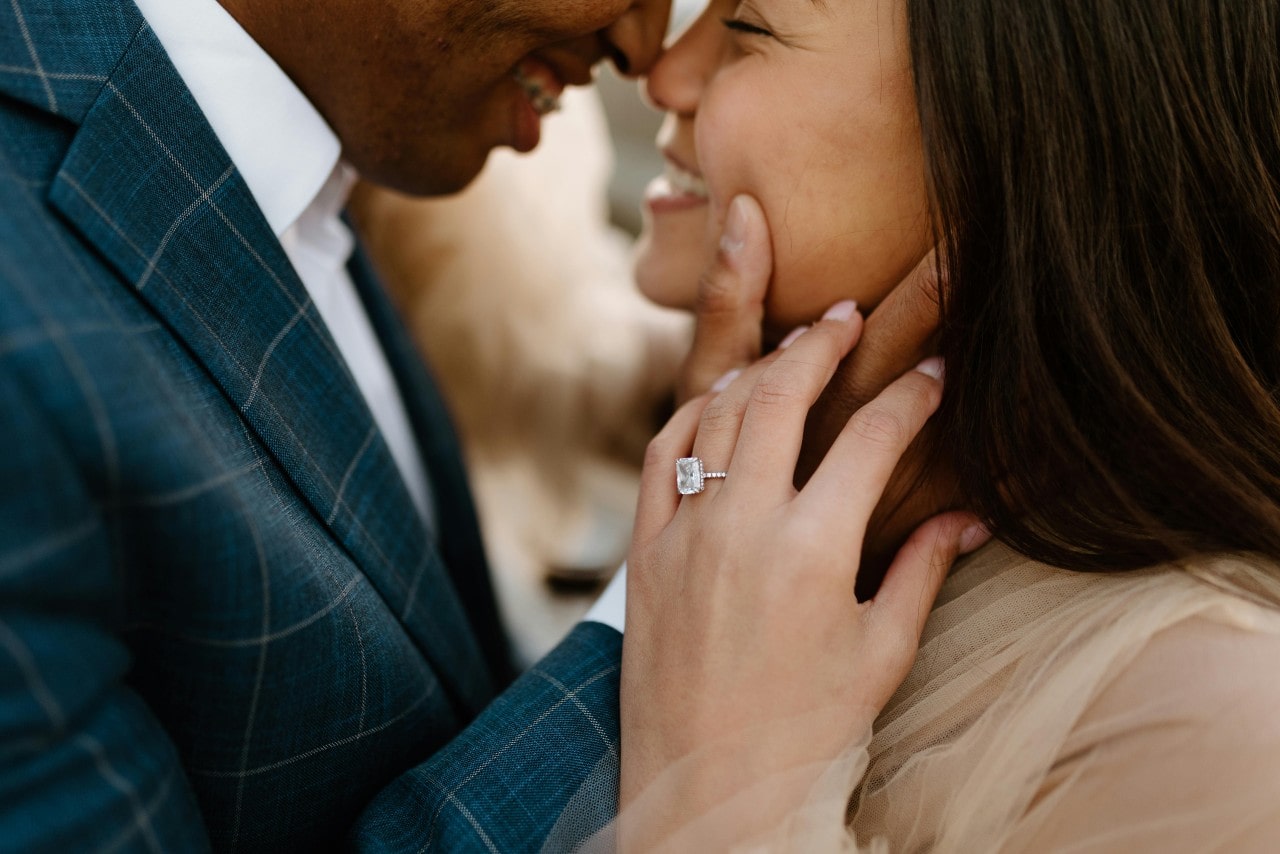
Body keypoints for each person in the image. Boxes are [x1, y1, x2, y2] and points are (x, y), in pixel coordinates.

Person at [590, 0, 1280, 849]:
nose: (665, 72)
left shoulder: (1207, 732)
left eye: (748, 27)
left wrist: (716, 788)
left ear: (1015, 135)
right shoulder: (649, 432)